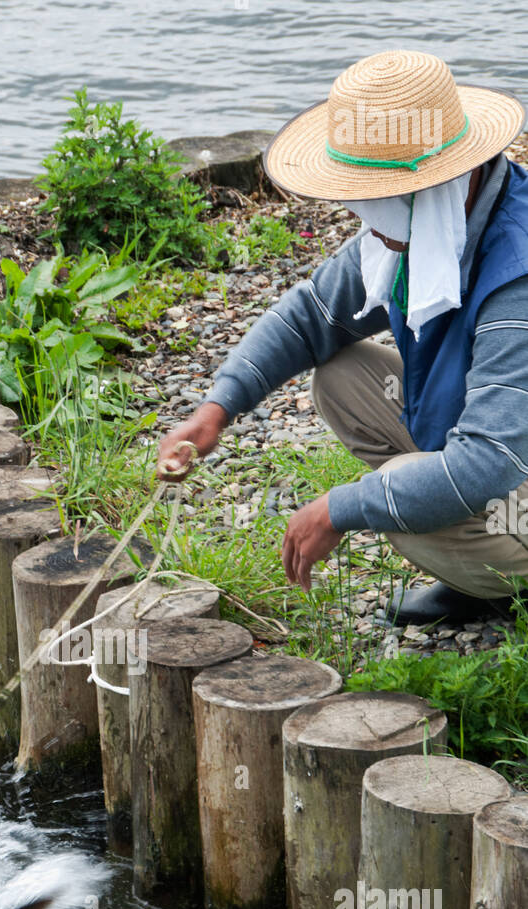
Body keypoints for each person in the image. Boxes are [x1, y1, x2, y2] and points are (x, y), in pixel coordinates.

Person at [157, 50, 528, 625]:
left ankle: (497, 579)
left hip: (514, 476)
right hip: (506, 448)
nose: (366, 216)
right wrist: (216, 408)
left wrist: (340, 508)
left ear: (440, 180)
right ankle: (474, 567)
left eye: (375, 196)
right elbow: (311, 314)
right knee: (343, 378)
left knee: (393, 491)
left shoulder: (517, 276)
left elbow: (491, 463)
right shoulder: (429, 218)